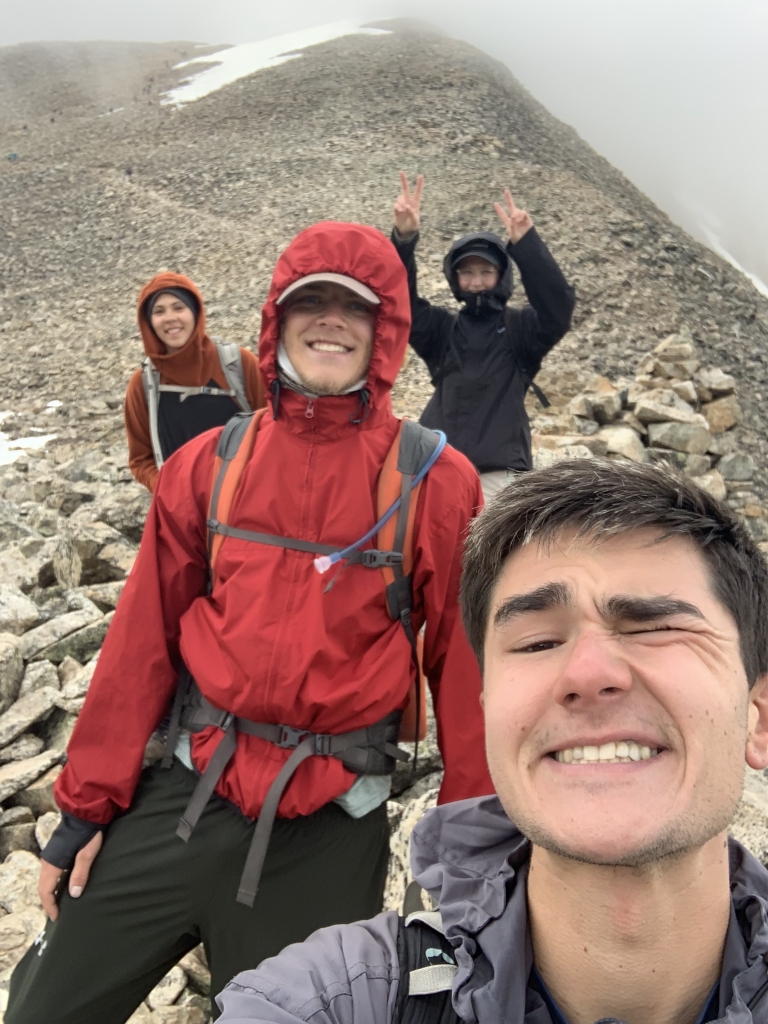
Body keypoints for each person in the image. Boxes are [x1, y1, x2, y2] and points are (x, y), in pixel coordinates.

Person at [6, 222, 493, 1024]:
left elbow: (469, 676)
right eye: (313, 301)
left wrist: (475, 859)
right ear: (277, 319)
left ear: (387, 331)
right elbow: (140, 645)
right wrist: (85, 811)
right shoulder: (211, 464)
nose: (331, 319)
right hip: (180, 796)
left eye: (355, 307)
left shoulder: (436, 482)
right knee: (41, 1011)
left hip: (329, 826)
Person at [215, 458, 768, 1024]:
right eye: (535, 642)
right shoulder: (335, 997)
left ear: (759, 716)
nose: (586, 672)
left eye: (654, 628)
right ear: (490, 715)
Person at [392, 173, 576, 503]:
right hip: (436, 465)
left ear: (501, 276)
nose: (476, 281)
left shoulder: (523, 329)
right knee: (431, 554)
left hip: (499, 475)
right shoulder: (440, 330)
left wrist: (526, 245)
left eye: (486, 272)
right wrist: (404, 240)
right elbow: (398, 300)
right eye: (467, 272)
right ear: (455, 278)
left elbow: (558, 308)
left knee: (492, 555)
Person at [124, 271, 267, 491]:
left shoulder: (238, 365)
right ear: (149, 322)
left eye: (179, 307)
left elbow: (272, 431)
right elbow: (141, 460)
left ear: (195, 312)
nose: (170, 317)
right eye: (159, 311)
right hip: (182, 511)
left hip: (243, 500)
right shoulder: (143, 384)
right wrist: (167, 490)